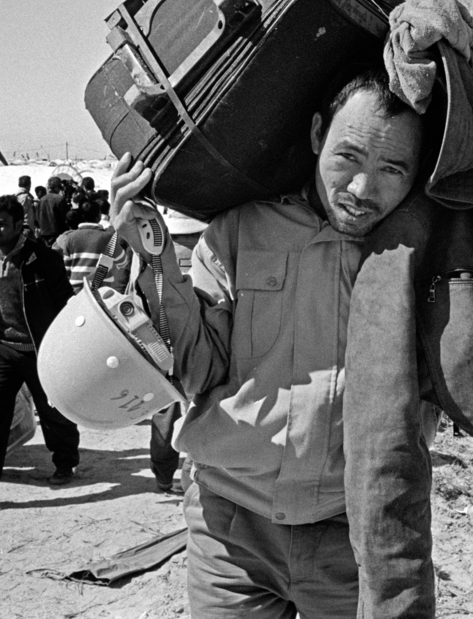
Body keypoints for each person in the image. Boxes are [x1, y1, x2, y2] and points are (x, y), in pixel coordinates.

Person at [110, 69, 423, 616]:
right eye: (348, 157)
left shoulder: (425, 252)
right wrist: (155, 259)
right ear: (317, 134)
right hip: (230, 533)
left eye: (392, 169)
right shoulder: (240, 231)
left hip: (356, 535)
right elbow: (199, 371)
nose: (362, 189)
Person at [0, 196, 80, 505]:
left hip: (41, 349)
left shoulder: (43, 258)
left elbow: (65, 301)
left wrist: (66, 342)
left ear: (18, 226)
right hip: (2, 349)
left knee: (53, 410)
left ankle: (65, 461)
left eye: (1, 224)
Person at [148, 208, 207, 495]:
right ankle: (193, 477)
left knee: (165, 408)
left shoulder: (155, 247)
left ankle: (163, 476)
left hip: (161, 339)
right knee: (202, 406)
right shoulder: (211, 247)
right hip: (202, 341)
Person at [51, 198, 128, 293]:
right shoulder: (107, 237)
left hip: (77, 290)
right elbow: (123, 262)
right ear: (99, 216)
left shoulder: (70, 237)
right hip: (102, 289)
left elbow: (67, 268)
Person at [35, 177, 68, 245]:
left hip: (44, 234)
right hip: (57, 234)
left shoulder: (42, 200)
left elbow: (37, 217)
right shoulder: (60, 199)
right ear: (57, 186)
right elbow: (65, 217)